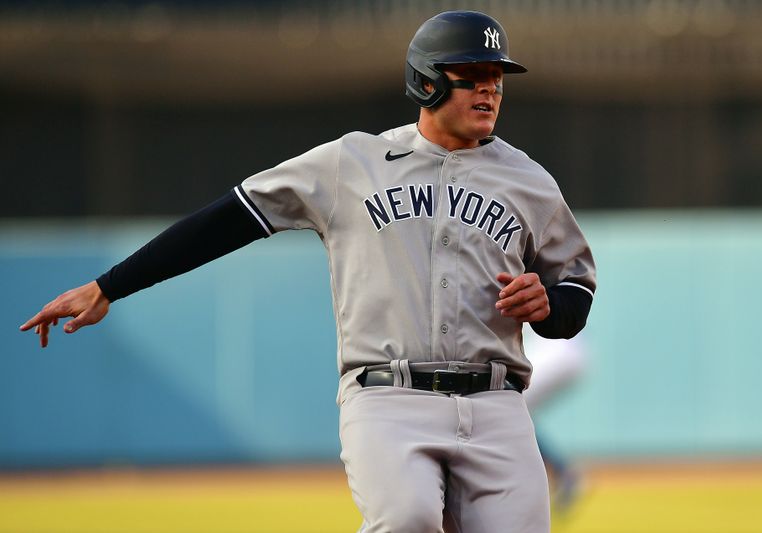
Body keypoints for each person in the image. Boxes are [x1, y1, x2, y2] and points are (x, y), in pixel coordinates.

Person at [21, 11, 596, 533]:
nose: (490, 88)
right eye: (473, 73)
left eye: (497, 76)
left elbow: (574, 288)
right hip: (388, 396)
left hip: (497, 402)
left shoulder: (530, 181)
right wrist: (109, 287)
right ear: (428, 80)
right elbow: (229, 220)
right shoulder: (353, 162)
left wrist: (547, 303)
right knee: (407, 520)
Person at [522, 331, 590, 512]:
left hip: (557, 351)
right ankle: (562, 472)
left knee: (510, 406)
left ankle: (562, 473)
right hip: (565, 351)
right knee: (513, 411)